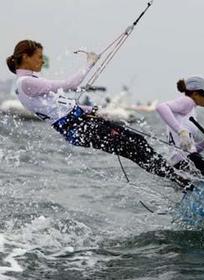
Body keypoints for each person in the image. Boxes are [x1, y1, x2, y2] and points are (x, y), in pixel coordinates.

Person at [6, 39, 192, 191]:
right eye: (39, 57)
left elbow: (57, 106)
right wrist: (89, 63)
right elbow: (71, 84)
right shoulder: (25, 82)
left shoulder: (30, 81)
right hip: (80, 129)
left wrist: (87, 110)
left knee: (137, 144)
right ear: (25, 57)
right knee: (135, 146)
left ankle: (177, 178)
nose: (42, 61)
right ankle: (179, 180)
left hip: (82, 125)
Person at [156, 76, 204, 176]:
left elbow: (189, 149)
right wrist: (180, 131)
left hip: (183, 162)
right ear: (195, 94)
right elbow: (161, 107)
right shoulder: (187, 101)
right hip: (184, 161)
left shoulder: (191, 110)